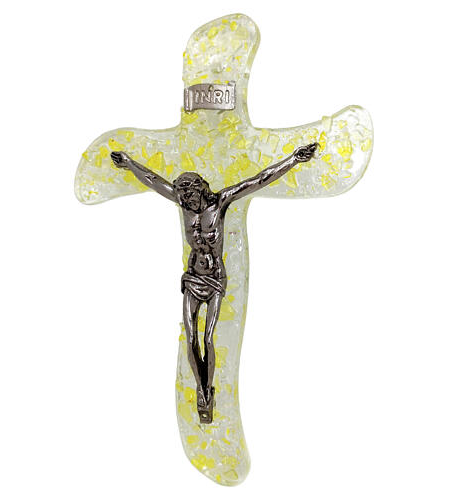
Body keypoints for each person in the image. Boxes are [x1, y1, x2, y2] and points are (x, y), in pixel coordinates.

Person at [111, 142, 318, 423]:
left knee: (208, 337)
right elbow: (152, 179)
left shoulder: (220, 202)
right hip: (192, 276)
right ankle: (202, 391)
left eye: (190, 196)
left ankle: (209, 389)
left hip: (215, 278)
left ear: (201, 190)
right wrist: (128, 163)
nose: (187, 202)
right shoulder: (183, 204)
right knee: (191, 337)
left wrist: (293, 160)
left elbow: (258, 180)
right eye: (183, 197)